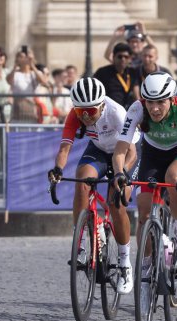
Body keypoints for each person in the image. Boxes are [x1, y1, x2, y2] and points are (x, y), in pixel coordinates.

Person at [48, 77, 141, 294]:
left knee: (116, 201)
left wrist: (122, 175)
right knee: (82, 180)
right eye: (81, 112)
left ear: (102, 105)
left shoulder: (116, 112)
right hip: (99, 150)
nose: (86, 117)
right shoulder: (75, 115)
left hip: (126, 152)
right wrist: (58, 170)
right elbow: (64, 149)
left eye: (90, 110)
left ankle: (125, 263)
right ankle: (80, 242)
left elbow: (133, 153)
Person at [112, 72, 177, 271]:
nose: (154, 108)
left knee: (173, 179)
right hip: (152, 154)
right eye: (150, 102)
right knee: (143, 213)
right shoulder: (136, 109)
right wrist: (119, 172)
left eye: (161, 102)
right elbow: (120, 150)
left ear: (172, 99)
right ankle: (145, 265)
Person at [6, 47, 47, 123]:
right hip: (18, 110)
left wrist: (32, 65)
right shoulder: (15, 74)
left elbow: (43, 81)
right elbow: (9, 81)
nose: (24, 59)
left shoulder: (35, 73)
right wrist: (15, 66)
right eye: (21, 56)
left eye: (26, 56)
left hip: (33, 111)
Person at [94, 43, 139, 110]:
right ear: (113, 57)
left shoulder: (132, 72)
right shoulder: (102, 72)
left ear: (129, 59)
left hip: (127, 110)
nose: (123, 59)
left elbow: (137, 97)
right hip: (108, 110)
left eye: (126, 57)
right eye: (120, 56)